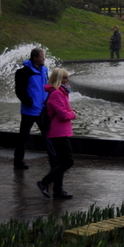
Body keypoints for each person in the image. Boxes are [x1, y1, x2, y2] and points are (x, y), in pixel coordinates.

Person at [14, 48, 57, 170]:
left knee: (48, 136)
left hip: (42, 109)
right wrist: (29, 102)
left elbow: (46, 87)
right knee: (23, 136)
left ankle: (54, 162)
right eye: (42, 57)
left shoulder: (44, 70)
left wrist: (48, 101)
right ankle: (18, 161)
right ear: (35, 58)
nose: (44, 58)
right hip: (29, 110)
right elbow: (19, 91)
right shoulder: (24, 72)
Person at [37, 68, 77, 200]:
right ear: (59, 79)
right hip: (58, 132)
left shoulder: (62, 92)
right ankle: (44, 182)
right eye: (65, 78)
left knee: (61, 162)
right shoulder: (56, 93)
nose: (68, 80)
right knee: (68, 161)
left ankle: (58, 191)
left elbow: (62, 110)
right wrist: (73, 114)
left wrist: (70, 111)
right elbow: (62, 115)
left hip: (61, 131)